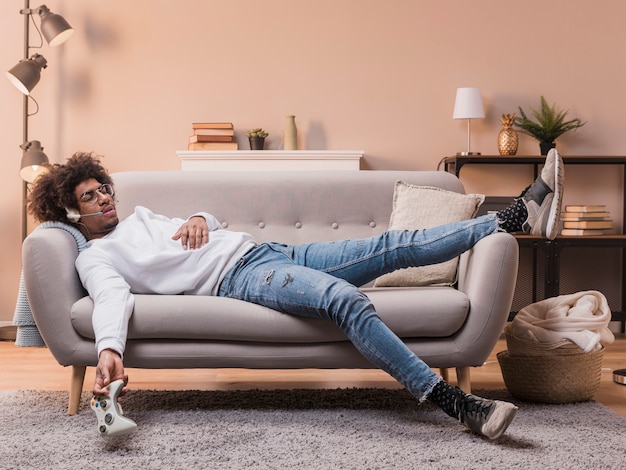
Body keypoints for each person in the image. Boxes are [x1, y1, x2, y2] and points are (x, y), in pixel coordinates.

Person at [27, 150, 564, 440]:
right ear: (73, 211)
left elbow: (210, 223)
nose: (105, 198)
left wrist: (197, 217)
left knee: (391, 245)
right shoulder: (95, 255)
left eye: (104, 188)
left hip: (269, 250)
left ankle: (512, 218)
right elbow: (110, 298)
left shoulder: (140, 216)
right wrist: (108, 350)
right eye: (90, 196)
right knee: (348, 301)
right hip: (244, 278)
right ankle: (452, 402)